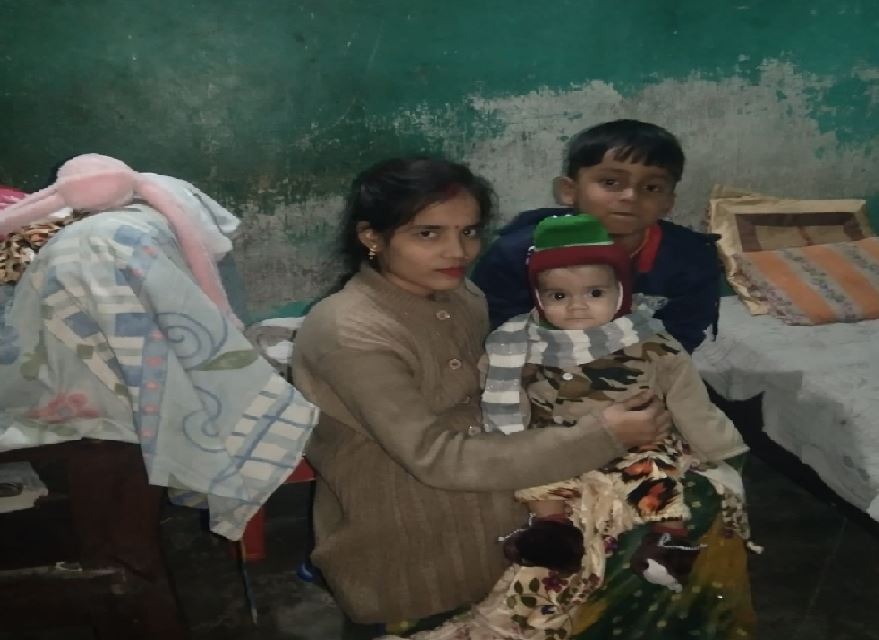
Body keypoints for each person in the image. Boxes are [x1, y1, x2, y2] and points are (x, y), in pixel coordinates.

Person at [290, 156, 671, 634]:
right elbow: (436, 457)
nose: (458, 251)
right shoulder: (350, 332)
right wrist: (602, 434)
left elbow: (488, 390)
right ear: (372, 237)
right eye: (428, 233)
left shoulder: (461, 296)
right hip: (414, 558)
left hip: (500, 518)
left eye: (469, 232)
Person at [389, 216, 757, 640]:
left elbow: (690, 402)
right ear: (539, 297)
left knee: (658, 471)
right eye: (559, 295)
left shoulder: (651, 343)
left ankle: (669, 540)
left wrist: (724, 450)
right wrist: (511, 433)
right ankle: (553, 529)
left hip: (637, 441)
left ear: (621, 292)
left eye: (595, 293)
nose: (577, 306)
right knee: (535, 475)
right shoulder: (519, 343)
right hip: (556, 440)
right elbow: (501, 393)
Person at [470, 119, 720, 353]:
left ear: (668, 203)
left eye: (652, 187)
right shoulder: (517, 254)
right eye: (610, 182)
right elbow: (496, 327)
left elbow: (680, 339)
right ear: (568, 191)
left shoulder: (691, 260)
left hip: (641, 371)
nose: (630, 196)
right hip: (538, 367)